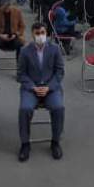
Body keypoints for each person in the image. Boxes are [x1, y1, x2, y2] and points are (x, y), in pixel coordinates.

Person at [16, 22, 65, 162]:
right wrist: (33, 87)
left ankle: (55, 142)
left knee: (58, 107)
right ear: (32, 35)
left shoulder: (55, 49)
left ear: (46, 34)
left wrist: (49, 87)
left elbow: (60, 72)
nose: (40, 36)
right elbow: (21, 74)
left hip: (50, 88)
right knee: (25, 109)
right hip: (31, 89)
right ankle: (25, 144)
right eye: (37, 33)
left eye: (42, 33)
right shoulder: (25, 51)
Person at [0, 0, 25, 75]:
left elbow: (22, 26)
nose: (7, 9)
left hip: (14, 36)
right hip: (0, 36)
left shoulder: (17, 12)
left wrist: (16, 34)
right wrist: (0, 35)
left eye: (8, 7)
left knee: (21, 44)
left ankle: (20, 70)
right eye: (5, 8)